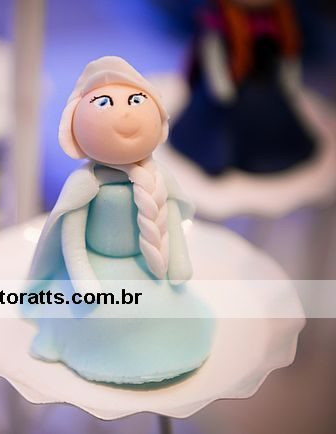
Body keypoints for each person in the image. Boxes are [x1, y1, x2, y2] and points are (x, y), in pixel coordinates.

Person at [23, 57, 214, 385]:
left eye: (136, 101)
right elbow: (72, 236)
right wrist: (82, 278)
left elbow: (169, 218)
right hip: (97, 270)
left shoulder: (159, 179)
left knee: (162, 311)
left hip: (152, 266)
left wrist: (178, 260)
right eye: (104, 103)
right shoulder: (86, 184)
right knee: (101, 315)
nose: (124, 113)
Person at [171, 0, 316, 175]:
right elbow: (212, 53)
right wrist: (221, 85)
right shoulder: (218, 19)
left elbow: (289, 52)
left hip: (266, 86)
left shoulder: (282, 18)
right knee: (216, 137)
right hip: (228, 88)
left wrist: (289, 79)